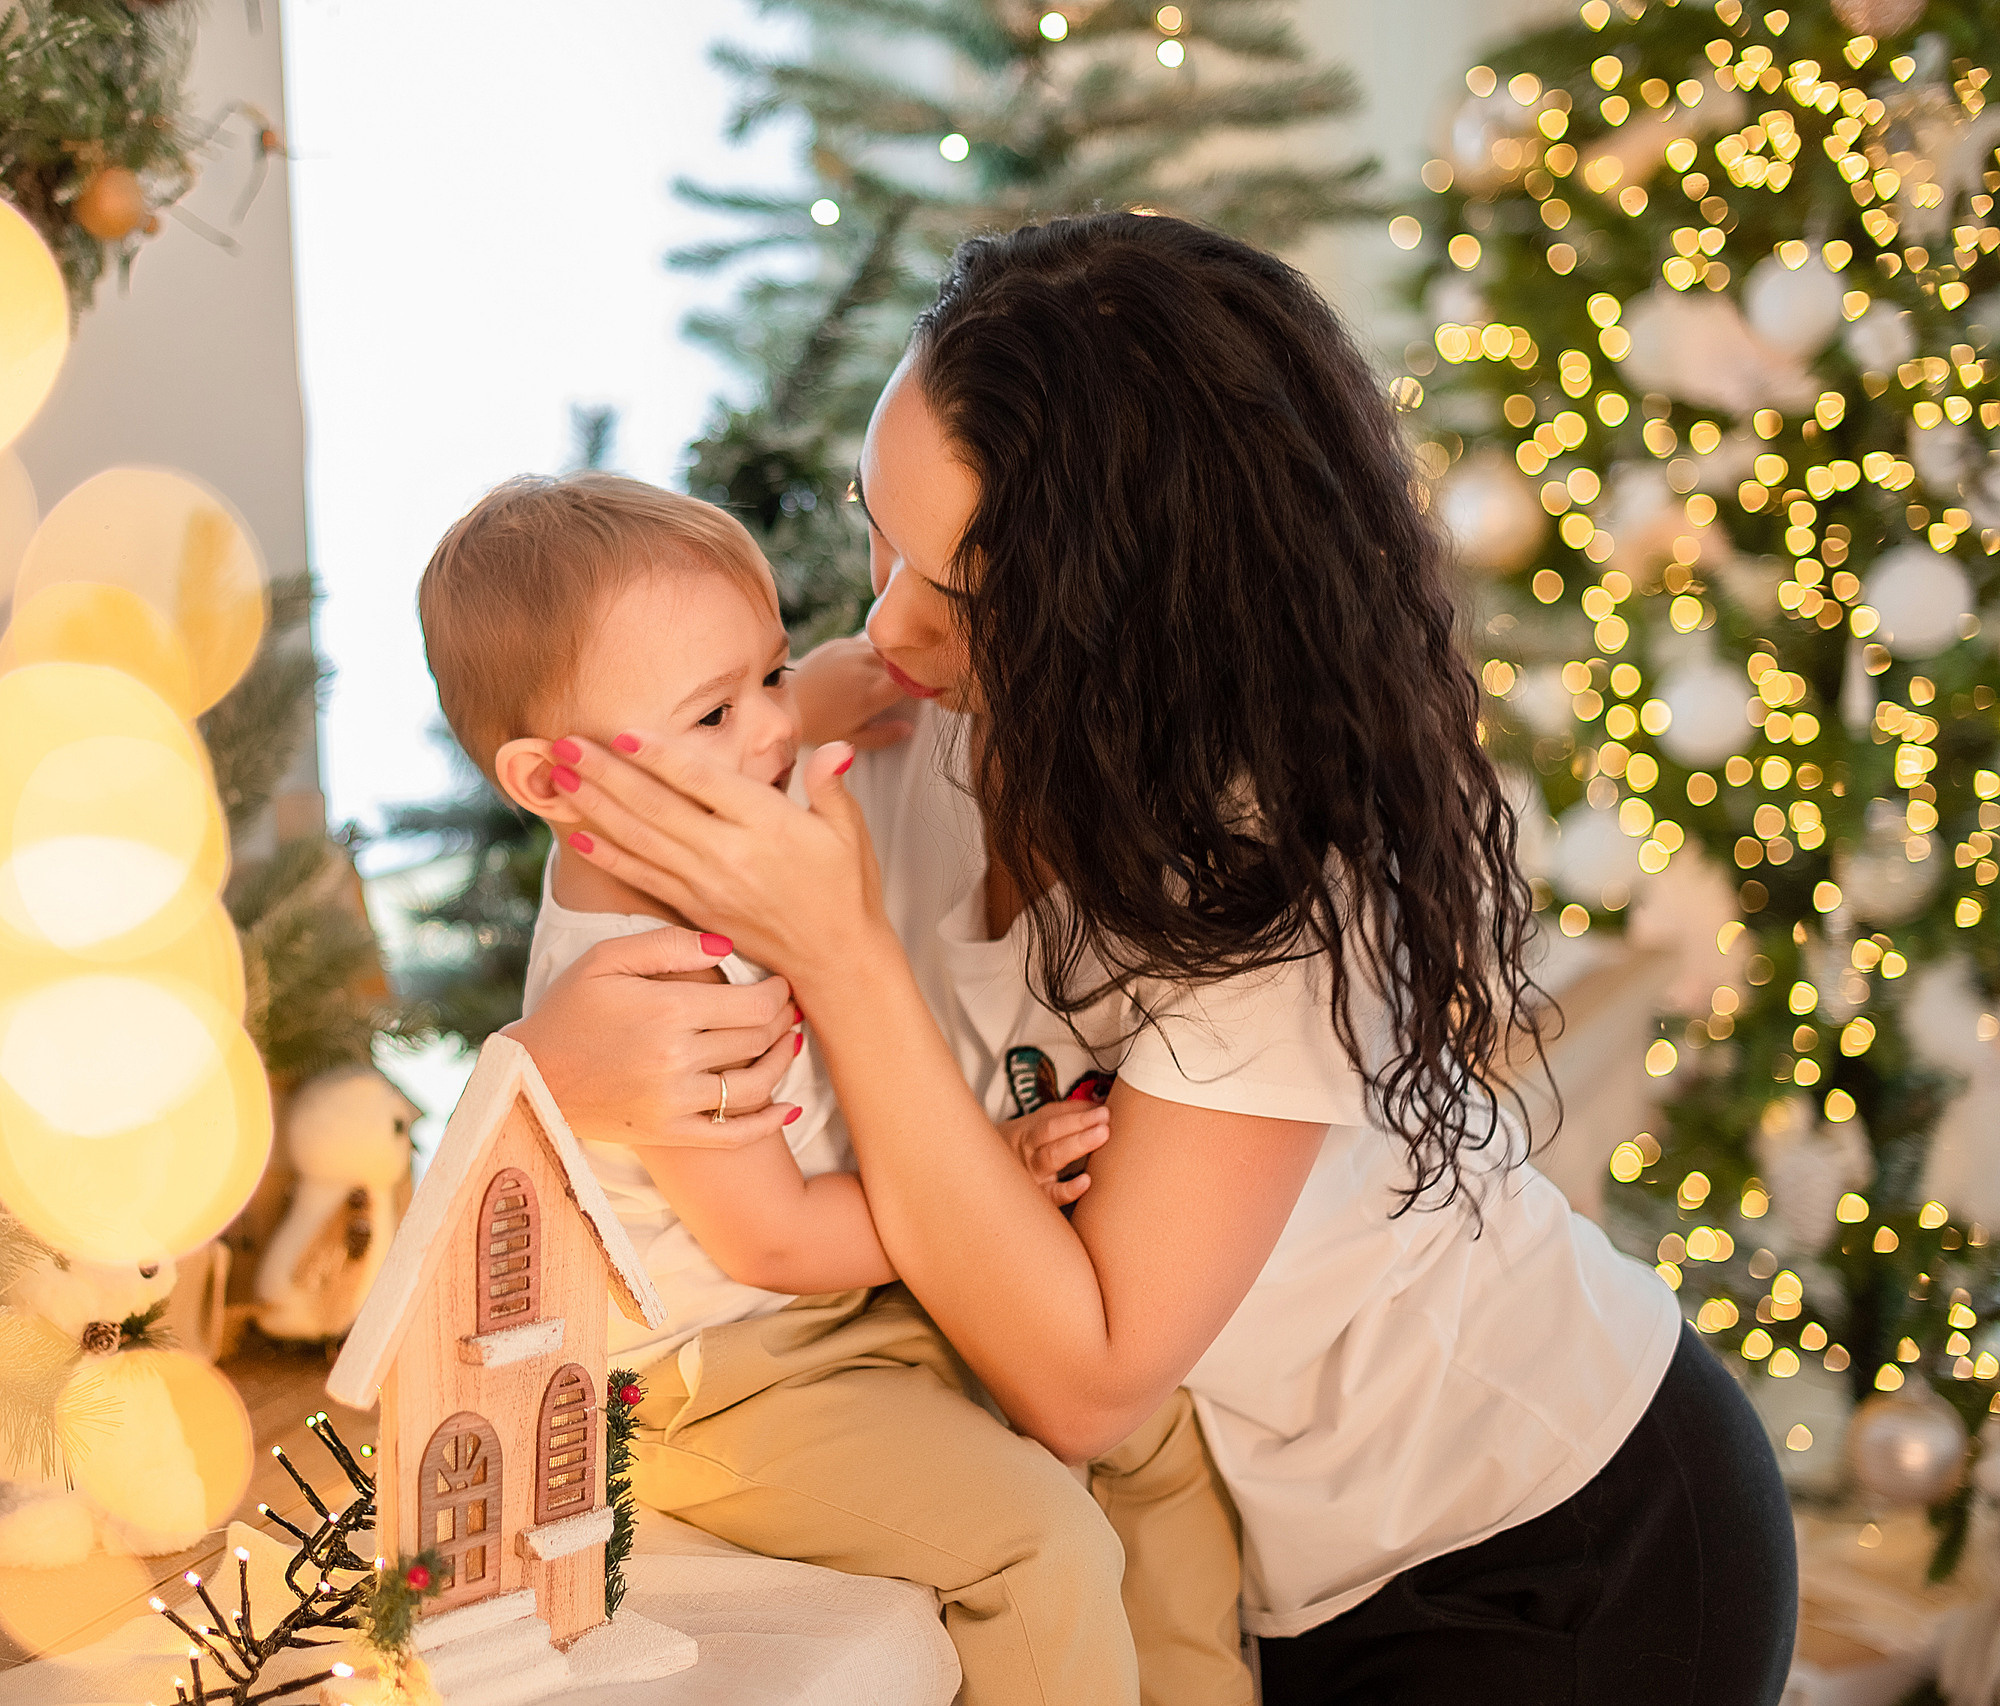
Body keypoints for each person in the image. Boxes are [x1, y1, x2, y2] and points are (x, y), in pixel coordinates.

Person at [507, 214, 1800, 1704]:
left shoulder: (1275, 878)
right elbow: (614, 906)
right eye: (879, 534)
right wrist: (550, 1059)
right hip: (1261, 1572)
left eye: (963, 597)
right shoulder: (907, 714)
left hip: (1542, 1547)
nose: (883, 622)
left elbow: (1086, 1372)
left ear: (1128, 617)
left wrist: (844, 953)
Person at [416, 470, 1253, 1705]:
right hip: (726, 1379)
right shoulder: (657, 995)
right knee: (1039, 1537)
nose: (766, 732)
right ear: (552, 785)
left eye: (763, 673)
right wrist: (991, 1166)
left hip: (842, 1315)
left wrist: (836, 679)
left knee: (1160, 1434)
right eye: (715, 713)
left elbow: (776, 704)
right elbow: (776, 1235)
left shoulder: (706, 808)